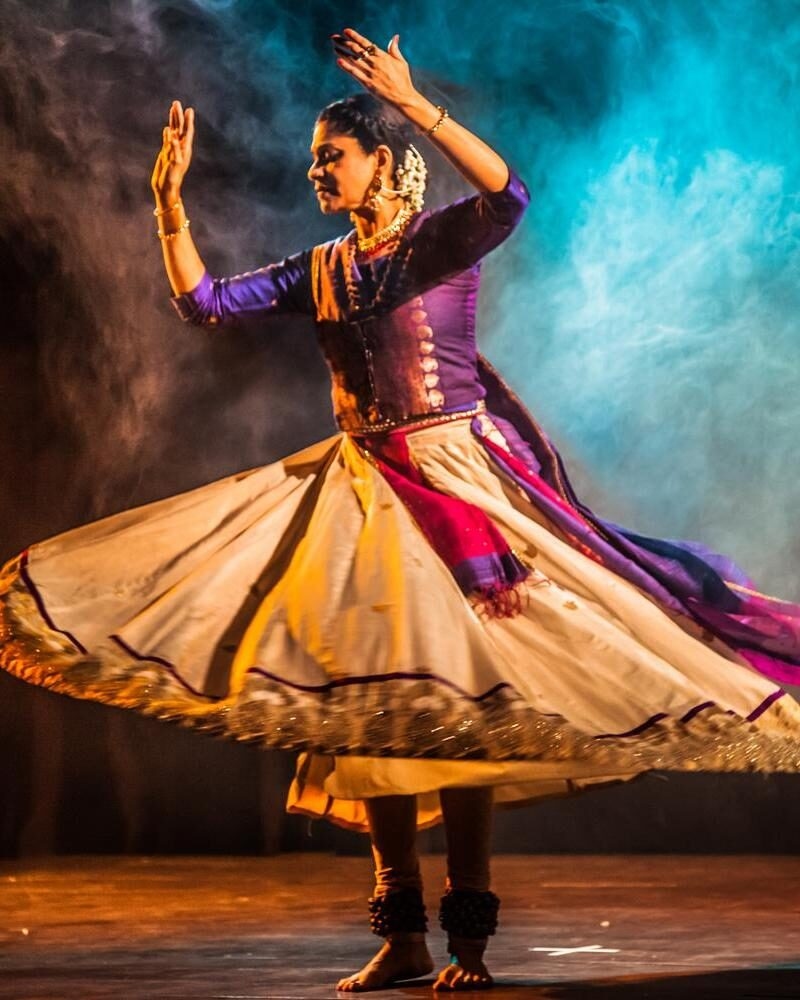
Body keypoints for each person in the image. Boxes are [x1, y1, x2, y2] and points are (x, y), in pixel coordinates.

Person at [3, 25, 800, 994]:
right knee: (370, 714)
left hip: (455, 481)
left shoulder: (434, 246)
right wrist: (168, 209)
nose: (313, 172)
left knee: (460, 715)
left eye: (329, 157)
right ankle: (403, 934)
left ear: (382, 164)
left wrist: (416, 100)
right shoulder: (322, 269)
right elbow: (204, 302)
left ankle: (465, 943)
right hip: (362, 490)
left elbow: (507, 194)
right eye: (310, 161)